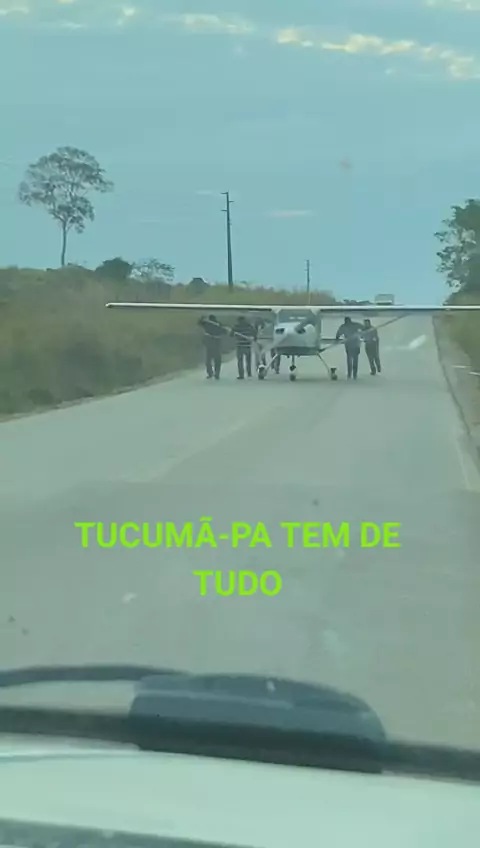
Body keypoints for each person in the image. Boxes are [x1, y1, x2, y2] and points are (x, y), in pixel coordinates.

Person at [198, 314, 227, 379]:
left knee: (208, 360)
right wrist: (221, 327)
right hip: (216, 344)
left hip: (209, 344)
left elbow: (199, 323)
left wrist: (202, 318)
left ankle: (210, 373)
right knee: (217, 360)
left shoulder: (207, 324)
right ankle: (217, 373)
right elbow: (225, 331)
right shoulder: (218, 324)